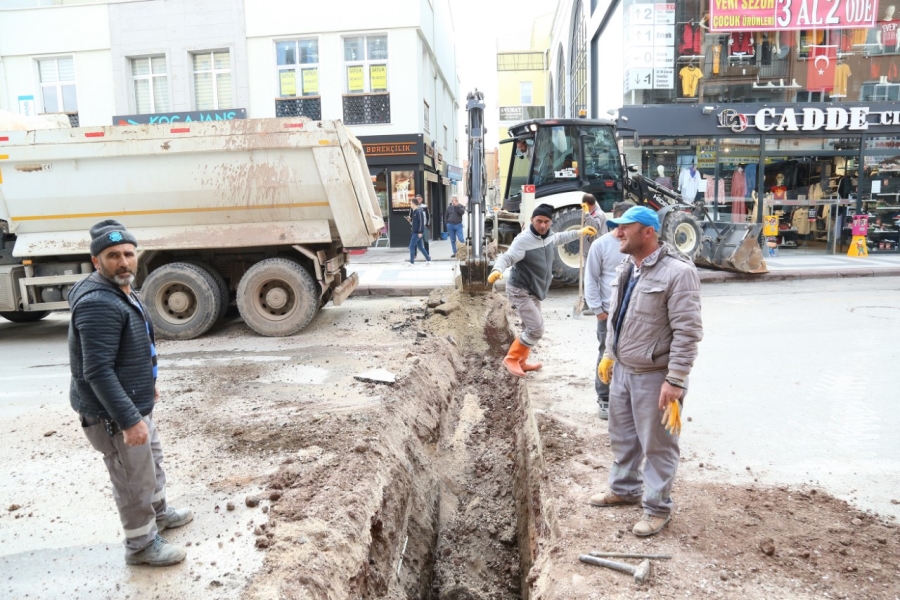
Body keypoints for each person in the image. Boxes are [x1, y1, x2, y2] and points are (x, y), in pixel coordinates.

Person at [68, 220, 193, 566]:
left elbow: (128, 348)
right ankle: (141, 545)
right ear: (96, 261)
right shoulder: (99, 302)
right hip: (114, 416)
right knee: (132, 478)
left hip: (134, 404)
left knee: (151, 462)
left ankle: (160, 514)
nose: (123, 261)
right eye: (112, 256)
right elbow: (97, 370)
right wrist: (128, 419)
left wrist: (147, 383)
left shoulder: (120, 288)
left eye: (128, 253)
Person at [591, 206, 702, 538]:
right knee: (623, 438)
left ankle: (656, 509)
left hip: (655, 376)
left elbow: (688, 332)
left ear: (648, 232)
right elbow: (618, 318)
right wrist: (610, 354)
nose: (618, 233)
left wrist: (675, 380)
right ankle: (624, 489)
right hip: (624, 371)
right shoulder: (628, 266)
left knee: (658, 445)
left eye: (626, 227)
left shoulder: (678, 273)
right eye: (616, 228)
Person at [487, 203, 597, 377]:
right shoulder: (523, 240)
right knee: (536, 328)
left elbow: (559, 238)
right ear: (532, 220)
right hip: (520, 290)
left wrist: (579, 233)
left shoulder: (548, 235)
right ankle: (511, 359)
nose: (543, 225)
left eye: (546, 221)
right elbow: (507, 257)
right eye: (539, 221)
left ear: (551, 222)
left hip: (535, 289)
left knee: (529, 327)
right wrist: (497, 270)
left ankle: (522, 362)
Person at [584, 200, 633, 420]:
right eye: (619, 225)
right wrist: (598, 310)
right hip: (607, 312)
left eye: (628, 225)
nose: (622, 231)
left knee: (630, 355)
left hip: (633, 312)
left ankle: (624, 398)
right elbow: (591, 279)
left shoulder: (635, 245)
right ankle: (604, 398)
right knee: (606, 352)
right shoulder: (601, 245)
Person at [408, 197, 432, 266]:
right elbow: (416, 222)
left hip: (417, 232)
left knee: (411, 246)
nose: (410, 205)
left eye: (411, 203)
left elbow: (421, 222)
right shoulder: (415, 211)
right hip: (416, 231)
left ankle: (411, 262)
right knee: (420, 247)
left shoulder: (419, 211)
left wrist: (420, 232)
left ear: (414, 204)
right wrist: (410, 221)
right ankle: (428, 260)